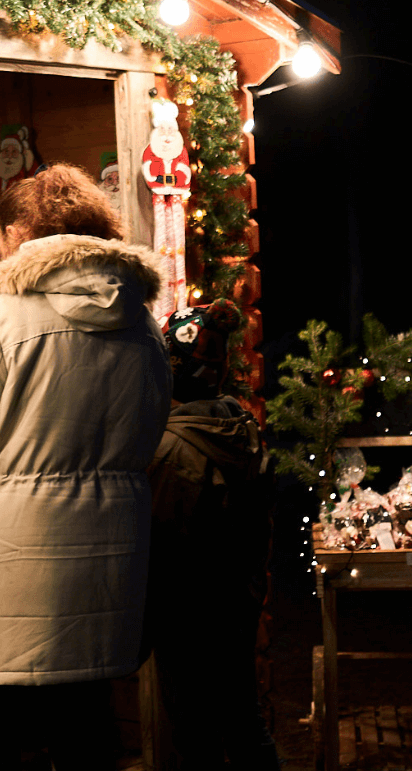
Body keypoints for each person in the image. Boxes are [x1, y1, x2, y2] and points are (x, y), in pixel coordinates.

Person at [0, 163, 170, 771]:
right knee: (88, 739)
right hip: (108, 568)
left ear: (17, 232)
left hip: (7, 576)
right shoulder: (143, 324)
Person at [146, 300, 280, 770]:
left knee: (195, 733)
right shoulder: (238, 428)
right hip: (237, 604)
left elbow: (162, 546)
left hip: (188, 617)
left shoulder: (171, 451)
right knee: (243, 719)